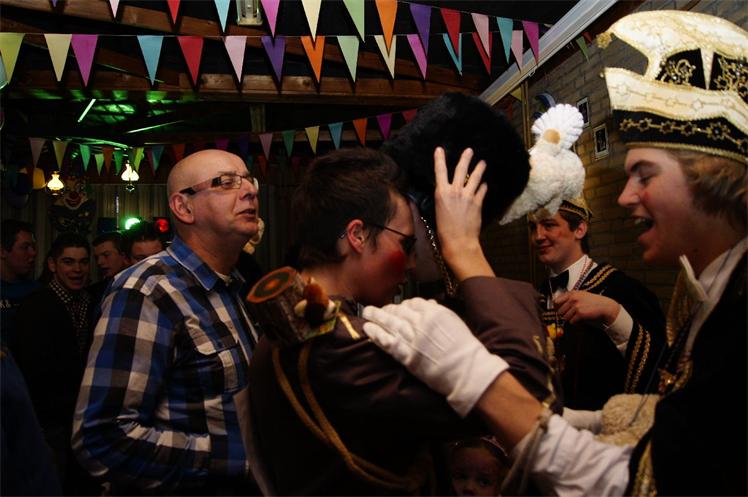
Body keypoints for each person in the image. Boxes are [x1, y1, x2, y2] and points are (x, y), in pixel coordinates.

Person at [362, 10, 746, 496]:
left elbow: (650, 481)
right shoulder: (709, 291)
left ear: (708, 175)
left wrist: (473, 374)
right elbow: (689, 426)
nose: (626, 196)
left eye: (644, 174)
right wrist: (583, 420)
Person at [246, 144, 550, 495]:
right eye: (406, 245)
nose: (411, 264)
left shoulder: (301, 326)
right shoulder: (336, 347)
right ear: (358, 236)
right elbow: (526, 400)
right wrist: (465, 249)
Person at [73, 149, 261, 495]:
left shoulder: (232, 285)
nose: (249, 190)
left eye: (250, 181)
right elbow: (102, 438)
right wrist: (244, 459)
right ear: (183, 207)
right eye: (226, 183)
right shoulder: (146, 291)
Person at [529, 198, 665, 409]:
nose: (538, 236)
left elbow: (661, 364)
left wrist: (614, 315)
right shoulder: (538, 294)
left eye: (549, 225)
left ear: (580, 229)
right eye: (533, 228)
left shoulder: (623, 289)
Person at [12, 232, 97, 494]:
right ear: (52, 265)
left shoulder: (91, 301)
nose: (77, 269)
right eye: (68, 262)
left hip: (84, 419)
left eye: (83, 262)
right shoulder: (35, 306)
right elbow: (33, 371)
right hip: (50, 423)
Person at [0, 219, 38, 345]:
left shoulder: (37, 292)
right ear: (2, 251)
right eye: (25, 247)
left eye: (33, 247)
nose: (33, 253)